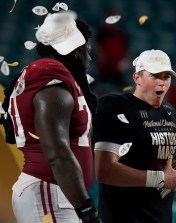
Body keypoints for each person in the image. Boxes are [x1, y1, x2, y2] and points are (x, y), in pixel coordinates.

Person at [0, 12, 100, 222]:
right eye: (87, 51)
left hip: (54, 193)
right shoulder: (51, 81)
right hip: (49, 191)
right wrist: (87, 210)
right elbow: (57, 153)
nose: (89, 58)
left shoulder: (51, 77)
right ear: (75, 51)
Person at [93, 49, 176, 223]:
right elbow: (104, 170)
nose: (162, 83)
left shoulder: (169, 113)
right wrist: (161, 179)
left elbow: (167, 172)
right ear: (137, 78)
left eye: (166, 77)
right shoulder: (114, 106)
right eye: (155, 76)